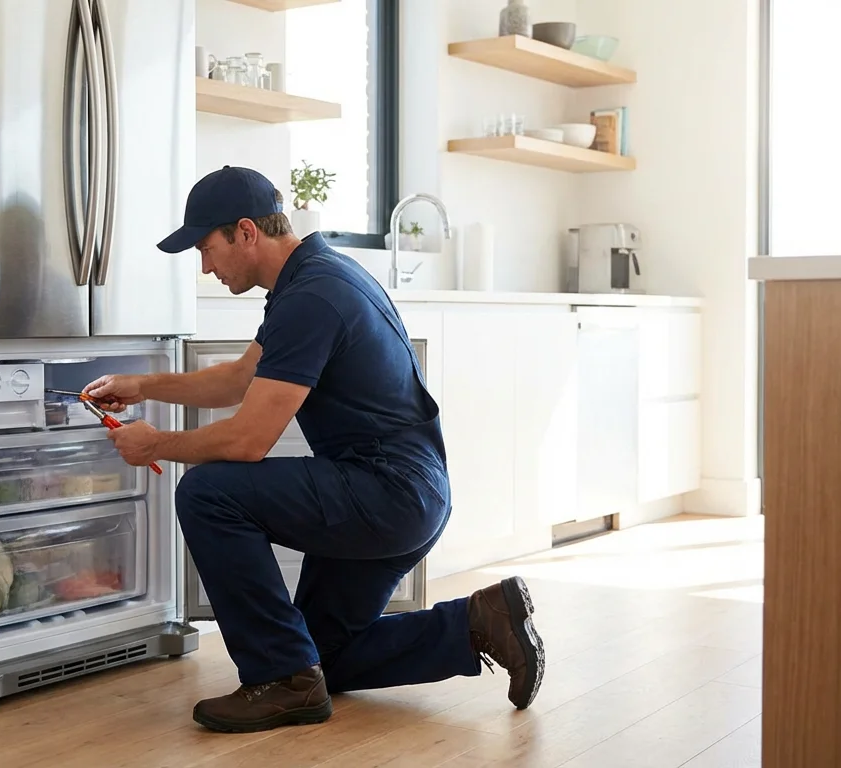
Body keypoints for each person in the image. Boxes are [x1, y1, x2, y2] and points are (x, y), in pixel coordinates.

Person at [84, 166, 544, 734]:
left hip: (387, 493)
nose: (205, 266)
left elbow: (248, 441)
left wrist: (156, 443)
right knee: (325, 655)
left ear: (246, 232)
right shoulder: (312, 278)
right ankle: (480, 621)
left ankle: (280, 681)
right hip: (403, 493)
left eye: (207, 248)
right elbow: (238, 380)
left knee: (207, 493)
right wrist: (144, 385)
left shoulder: (313, 296)